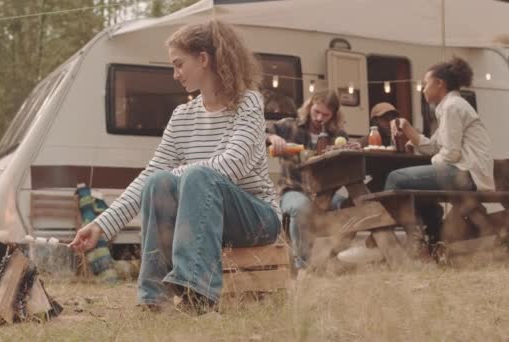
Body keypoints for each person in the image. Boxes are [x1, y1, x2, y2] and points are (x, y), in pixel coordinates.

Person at [69, 20, 281, 314]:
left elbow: (233, 165)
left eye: (179, 64)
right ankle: (155, 299)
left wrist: (178, 176)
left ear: (203, 59)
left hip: (256, 217)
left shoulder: (248, 103)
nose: (175, 74)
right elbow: (151, 176)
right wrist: (102, 225)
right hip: (206, 218)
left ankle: (198, 297)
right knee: (158, 183)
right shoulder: (182, 116)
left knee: (195, 176)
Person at [385, 57, 495, 253]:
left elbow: (450, 154)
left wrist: (432, 163)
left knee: (396, 178)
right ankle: (433, 237)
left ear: (439, 84)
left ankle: (406, 238)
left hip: (466, 174)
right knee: (414, 189)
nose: (423, 89)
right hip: (467, 173)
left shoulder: (452, 106)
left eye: (426, 84)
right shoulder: (449, 106)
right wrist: (409, 130)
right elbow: (434, 146)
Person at [266, 89, 348, 269]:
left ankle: (334, 258)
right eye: (316, 112)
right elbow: (260, 132)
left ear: (333, 115)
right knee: (301, 208)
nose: (319, 118)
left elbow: (345, 166)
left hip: (325, 192)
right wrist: (273, 137)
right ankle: (303, 266)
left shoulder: (338, 136)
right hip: (293, 190)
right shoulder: (290, 125)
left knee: (349, 206)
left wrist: (349, 149)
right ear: (309, 107)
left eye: (325, 115)